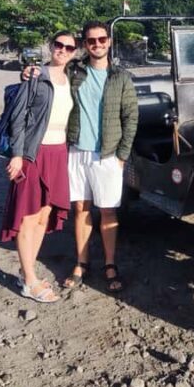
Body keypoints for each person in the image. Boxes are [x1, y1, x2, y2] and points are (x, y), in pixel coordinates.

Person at [1, 30, 76, 303]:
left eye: (69, 47)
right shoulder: (35, 76)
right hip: (34, 153)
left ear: (74, 52)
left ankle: (26, 271)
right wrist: (17, 154)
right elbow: (17, 119)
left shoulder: (71, 79)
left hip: (58, 152)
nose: (63, 50)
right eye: (59, 45)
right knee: (28, 217)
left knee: (44, 216)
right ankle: (30, 280)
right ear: (50, 46)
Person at [64, 20, 138, 292]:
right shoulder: (74, 71)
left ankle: (109, 262)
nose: (97, 44)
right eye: (91, 40)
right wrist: (30, 71)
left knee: (108, 210)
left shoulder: (120, 77)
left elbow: (131, 117)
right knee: (80, 209)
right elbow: (52, 72)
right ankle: (81, 262)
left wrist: (122, 155)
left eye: (102, 39)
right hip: (77, 151)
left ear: (109, 41)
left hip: (107, 154)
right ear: (84, 44)